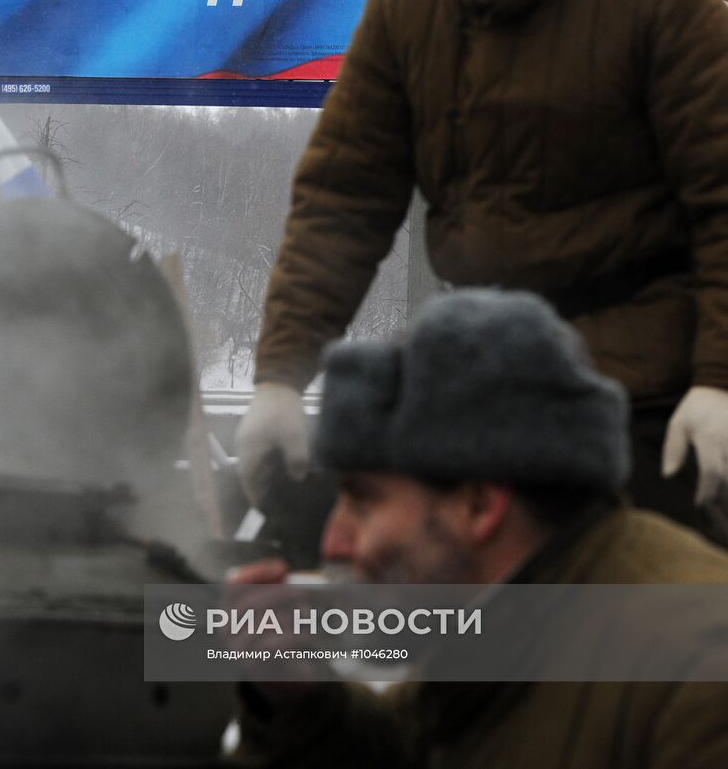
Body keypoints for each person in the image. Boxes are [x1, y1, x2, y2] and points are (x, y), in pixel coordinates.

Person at [237, 0, 728, 534]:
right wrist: (277, 378)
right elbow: (341, 204)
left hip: (643, 392)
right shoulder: (406, 12)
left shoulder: (661, 4)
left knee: (635, 613)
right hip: (479, 375)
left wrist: (717, 384)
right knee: (333, 552)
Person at [230, 288, 728, 769]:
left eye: (363, 500)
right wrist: (297, 698)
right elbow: (416, 749)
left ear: (479, 505)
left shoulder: (697, 673)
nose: (333, 541)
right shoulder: (505, 621)